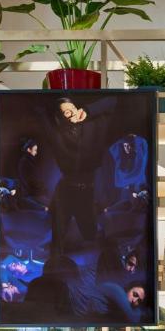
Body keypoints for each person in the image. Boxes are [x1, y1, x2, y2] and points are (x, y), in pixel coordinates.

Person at [37, 96, 118, 256]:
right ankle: (53, 272)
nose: (71, 113)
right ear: (60, 117)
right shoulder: (56, 133)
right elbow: (40, 110)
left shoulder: (94, 125)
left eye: (72, 108)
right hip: (65, 191)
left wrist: (87, 110)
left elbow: (112, 101)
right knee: (57, 239)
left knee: (90, 234)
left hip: (87, 191)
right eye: (66, 112)